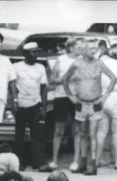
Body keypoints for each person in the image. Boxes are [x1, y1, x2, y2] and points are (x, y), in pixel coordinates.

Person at [62, 39, 117, 175]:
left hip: (95, 103)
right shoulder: (76, 64)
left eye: (95, 48)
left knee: (92, 134)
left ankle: (92, 164)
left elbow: (113, 78)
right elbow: (64, 79)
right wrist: (70, 95)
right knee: (81, 134)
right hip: (81, 103)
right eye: (91, 48)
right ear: (84, 50)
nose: (94, 51)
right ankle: (82, 162)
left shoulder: (99, 63)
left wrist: (104, 96)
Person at [12, 43, 50, 171]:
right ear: (25, 53)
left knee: (38, 135)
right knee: (19, 135)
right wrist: (14, 100)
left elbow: (44, 88)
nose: (36, 55)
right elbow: (12, 85)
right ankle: (20, 162)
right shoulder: (16, 67)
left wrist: (44, 106)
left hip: (36, 104)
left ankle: (38, 162)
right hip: (21, 104)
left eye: (37, 52)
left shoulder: (41, 67)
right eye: (32, 52)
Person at [47, 37, 78, 170]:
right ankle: (54, 160)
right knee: (59, 130)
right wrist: (65, 79)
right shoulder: (61, 59)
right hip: (61, 96)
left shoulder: (81, 61)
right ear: (70, 47)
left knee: (77, 130)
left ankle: (76, 161)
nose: (80, 49)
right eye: (78, 47)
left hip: (77, 98)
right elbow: (52, 80)